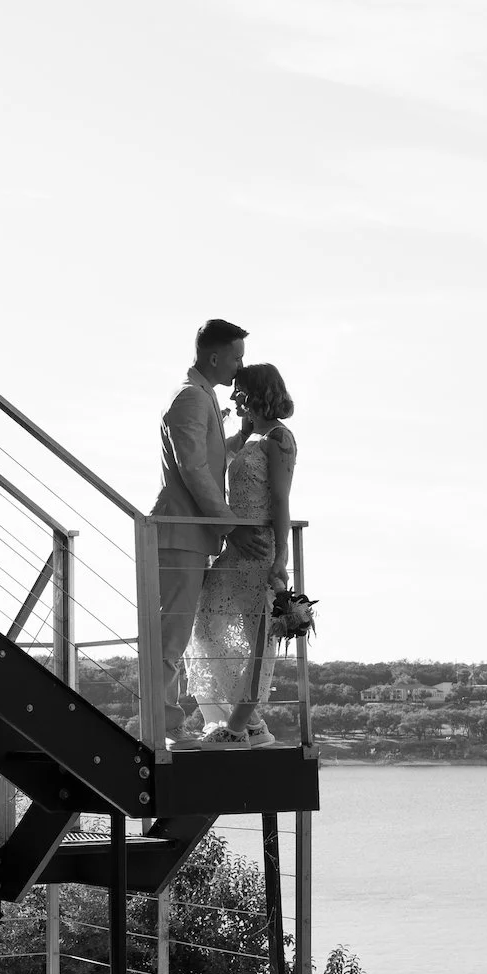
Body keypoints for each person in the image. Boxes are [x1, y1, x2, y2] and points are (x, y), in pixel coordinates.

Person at [184, 362, 297, 745]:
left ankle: (238, 726)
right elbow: (223, 464)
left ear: (257, 392)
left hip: (261, 551)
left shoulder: (280, 439)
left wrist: (281, 559)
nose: (233, 397)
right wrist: (241, 431)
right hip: (235, 549)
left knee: (258, 638)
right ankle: (248, 722)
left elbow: (281, 500)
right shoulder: (250, 438)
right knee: (204, 626)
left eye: (240, 391)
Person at [151, 318, 248, 743]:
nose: (239, 367)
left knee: (178, 633)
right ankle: (165, 730)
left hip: (189, 535)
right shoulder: (190, 398)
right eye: (236, 357)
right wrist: (229, 522)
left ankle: (168, 725)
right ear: (214, 356)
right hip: (180, 534)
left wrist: (239, 437)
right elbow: (192, 469)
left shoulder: (200, 397)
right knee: (170, 637)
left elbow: (204, 460)